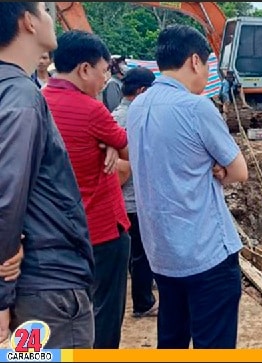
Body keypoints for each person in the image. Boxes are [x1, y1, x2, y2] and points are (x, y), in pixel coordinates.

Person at [127, 24, 249, 349]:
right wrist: (218, 168)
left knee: (172, 340)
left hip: (163, 254)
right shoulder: (196, 107)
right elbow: (239, 170)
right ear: (195, 61)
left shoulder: (137, 107)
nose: (207, 73)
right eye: (208, 64)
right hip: (205, 253)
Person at [0, 2, 94, 348]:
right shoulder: (22, 98)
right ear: (27, 23)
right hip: (45, 288)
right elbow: (6, 197)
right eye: (43, 9)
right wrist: (2, 297)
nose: (50, 15)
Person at [43, 30, 131, 349]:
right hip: (103, 231)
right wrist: (111, 143)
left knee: (71, 316)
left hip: (58, 235)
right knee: (105, 314)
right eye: (104, 70)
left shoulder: (39, 99)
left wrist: (108, 143)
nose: (106, 78)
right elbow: (128, 149)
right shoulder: (92, 110)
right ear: (84, 69)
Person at [111, 67, 159, 319]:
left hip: (120, 200)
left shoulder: (113, 115)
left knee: (133, 251)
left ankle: (144, 287)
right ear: (141, 91)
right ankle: (143, 303)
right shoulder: (136, 118)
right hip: (136, 198)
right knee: (143, 252)